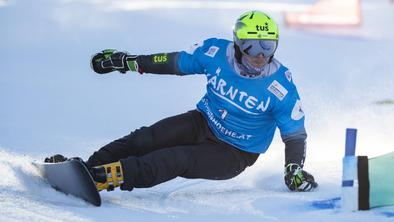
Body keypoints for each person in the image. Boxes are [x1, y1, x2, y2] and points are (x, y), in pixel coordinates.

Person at [46, 10, 317, 192]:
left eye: (268, 46)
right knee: (145, 139)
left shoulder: (280, 85)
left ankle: (100, 180)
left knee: (175, 158)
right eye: (251, 46)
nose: (260, 55)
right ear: (236, 43)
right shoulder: (214, 52)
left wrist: (293, 169)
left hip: (234, 153)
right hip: (203, 121)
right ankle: (86, 167)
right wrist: (128, 62)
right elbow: (174, 62)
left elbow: (294, 134)